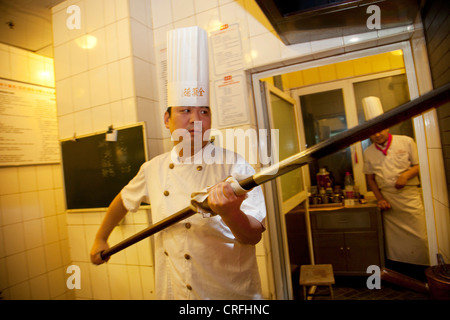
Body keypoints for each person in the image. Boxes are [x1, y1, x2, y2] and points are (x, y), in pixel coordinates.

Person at [90, 26, 266, 299]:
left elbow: (253, 235)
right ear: (166, 119)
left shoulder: (235, 166)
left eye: (204, 112)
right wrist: (101, 238)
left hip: (228, 293)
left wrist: (231, 213)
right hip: (173, 292)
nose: (196, 120)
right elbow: (123, 201)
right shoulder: (153, 169)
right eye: (185, 111)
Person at [362, 96, 429, 279]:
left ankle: (423, 274)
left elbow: (420, 164)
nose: (377, 135)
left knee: (421, 237)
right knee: (394, 244)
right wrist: (380, 199)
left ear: (388, 126)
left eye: (380, 129)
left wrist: (405, 176)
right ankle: (401, 276)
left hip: (409, 197)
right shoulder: (368, 153)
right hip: (389, 202)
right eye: (373, 132)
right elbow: (371, 180)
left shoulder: (405, 142)